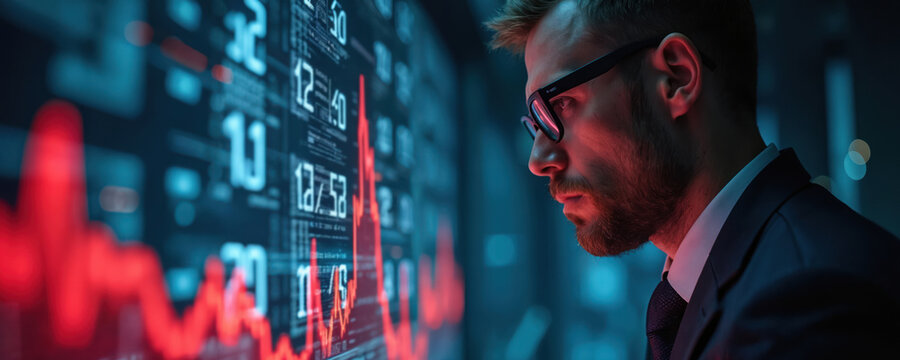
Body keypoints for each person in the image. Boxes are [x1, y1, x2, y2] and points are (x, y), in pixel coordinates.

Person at [486, 0, 900, 359]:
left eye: (560, 104)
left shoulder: (808, 301)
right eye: (534, 122)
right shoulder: (715, 287)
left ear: (677, 78)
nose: (538, 159)